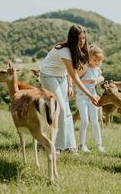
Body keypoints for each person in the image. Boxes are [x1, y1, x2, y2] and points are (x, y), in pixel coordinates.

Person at [39, 24, 98, 154]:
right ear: (72, 39)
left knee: (67, 112)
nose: (82, 41)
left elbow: (70, 71)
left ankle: (71, 146)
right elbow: (75, 76)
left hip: (62, 76)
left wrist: (70, 85)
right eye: (79, 39)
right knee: (61, 108)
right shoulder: (65, 51)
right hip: (48, 75)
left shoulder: (76, 50)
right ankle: (58, 147)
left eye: (83, 38)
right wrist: (90, 95)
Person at [76, 45, 105, 153]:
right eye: (94, 59)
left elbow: (102, 78)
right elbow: (76, 80)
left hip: (93, 97)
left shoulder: (97, 69)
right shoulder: (85, 67)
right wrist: (88, 81)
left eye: (98, 60)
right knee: (85, 120)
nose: (96, 62)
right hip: (82, 96)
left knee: (95, 121)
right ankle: (82, 145)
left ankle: (99, 145)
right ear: (89, 57)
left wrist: (97, 80)